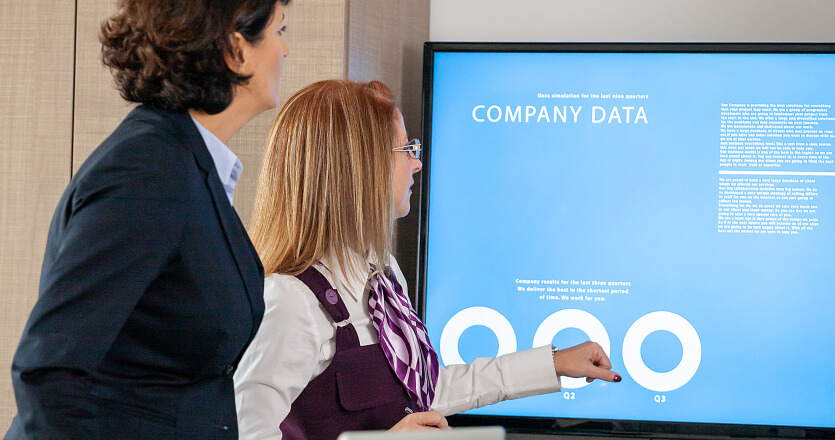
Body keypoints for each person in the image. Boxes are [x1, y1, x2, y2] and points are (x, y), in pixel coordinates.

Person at [234, 80, 622, 440]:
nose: (416, 163)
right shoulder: (290, 301)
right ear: (361, 167)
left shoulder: (380, 274)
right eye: (406, 150)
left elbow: (426, 388)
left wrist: (552, 363)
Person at [5, 0, 290, 438]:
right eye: (278, 31)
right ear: (236, 49)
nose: (285, 50)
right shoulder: (148, 170)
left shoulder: (187, 162)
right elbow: (48, 371)